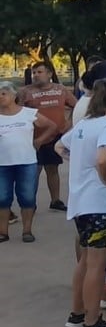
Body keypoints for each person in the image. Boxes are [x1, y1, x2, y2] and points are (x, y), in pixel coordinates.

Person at [58, 77, 106, 327]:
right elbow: (103, 158)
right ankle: (92, 322)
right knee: (97, 265)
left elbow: (60, 145)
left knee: (86, 261)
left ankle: (77, 313)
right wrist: (105, 176)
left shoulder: (84, 125)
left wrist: (81, 165)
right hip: (102, 204)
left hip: (82, 202)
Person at [0, 80, 59, 242]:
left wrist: (39, 141)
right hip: (2, 163)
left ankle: (27, 231)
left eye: (3, 93)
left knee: (27, 197)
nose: (0, 97)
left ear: (14, 95)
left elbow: (51, 126)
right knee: (2, 198)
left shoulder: (27, 113)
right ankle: (3, 232)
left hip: (26, 161)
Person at [21, 60, 78, 211]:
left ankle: (55, 200)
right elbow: (17, 110)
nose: (36, 76)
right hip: (34, 139)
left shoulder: (61, 89)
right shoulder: (26, 92)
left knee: (53, 169)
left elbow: (77, 106)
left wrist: (69, 122)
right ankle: (29, 203)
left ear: (49, 74)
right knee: (34, 171)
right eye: (34, 73)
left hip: (55, 137)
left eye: (40, 72)